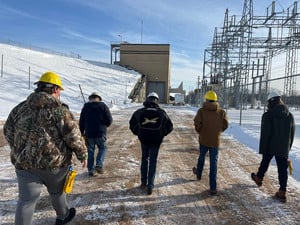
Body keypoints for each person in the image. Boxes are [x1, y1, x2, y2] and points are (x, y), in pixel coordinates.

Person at [3, 71, 88, 225]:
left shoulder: (19, 108)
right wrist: (82, 155)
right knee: (57, 193)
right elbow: (73, 136)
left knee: (26, 201)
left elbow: (8, 130)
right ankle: (63, 217)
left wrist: (19, 148)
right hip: (54, 166)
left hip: (25, 166)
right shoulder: (60, 110)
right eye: (59, 90)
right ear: (55, 89)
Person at [251, 92, 295, 202]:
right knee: (282, 168)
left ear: (271, 102)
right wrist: (287, 148)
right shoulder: (289, 115)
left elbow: (265, 133)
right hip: (283, 146)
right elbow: (292, 133)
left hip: (270, 144)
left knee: (265, 160)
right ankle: (282, 191)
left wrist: (263, 148)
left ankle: (259, 177)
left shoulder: (268, 115)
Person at [129, 92, 173, 195]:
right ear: (157, 100)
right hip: (156, 141)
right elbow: (170, 127)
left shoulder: (139, 111)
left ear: (147, 99)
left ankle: (143, 182)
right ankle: (150, 186)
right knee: (153, 161)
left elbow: (132, 125)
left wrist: (139, 133)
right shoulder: (162, 112)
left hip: (144, 139)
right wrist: (162, 134)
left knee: (144, 159)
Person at [193, 90, 229, 195]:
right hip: (215, 141)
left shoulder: (201, 111)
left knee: (202, 157)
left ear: (207, 99)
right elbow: (225, 124)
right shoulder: (221, 112)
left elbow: (197, 124)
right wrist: (218, 131)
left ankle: (198, 174)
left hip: (204, 139)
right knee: (214, 163)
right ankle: (213, 187)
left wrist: (201, 132)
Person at [79, 92, 113, 176]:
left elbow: (82, 120)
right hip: (101, 133)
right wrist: (105, 124)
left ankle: (91, 170)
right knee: (103, 148)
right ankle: (99, 164)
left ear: (90, 98)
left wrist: (81, 131)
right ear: (99, 98)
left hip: (89, 134)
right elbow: (109, 120)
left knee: (90, 151)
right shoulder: (103, 106)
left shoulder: (86, 106)